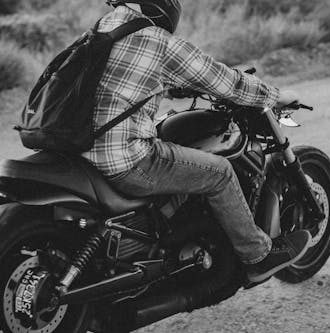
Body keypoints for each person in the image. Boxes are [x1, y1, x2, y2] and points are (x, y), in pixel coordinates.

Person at [82, 0, 312, 283]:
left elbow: (127, 81)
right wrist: (276, 96)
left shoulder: (102, 29)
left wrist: (175, 85)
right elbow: (225, 81)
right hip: (127, 159)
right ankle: (258, 256)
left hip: (83, 150)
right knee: (220, 174)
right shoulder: (158, 40)